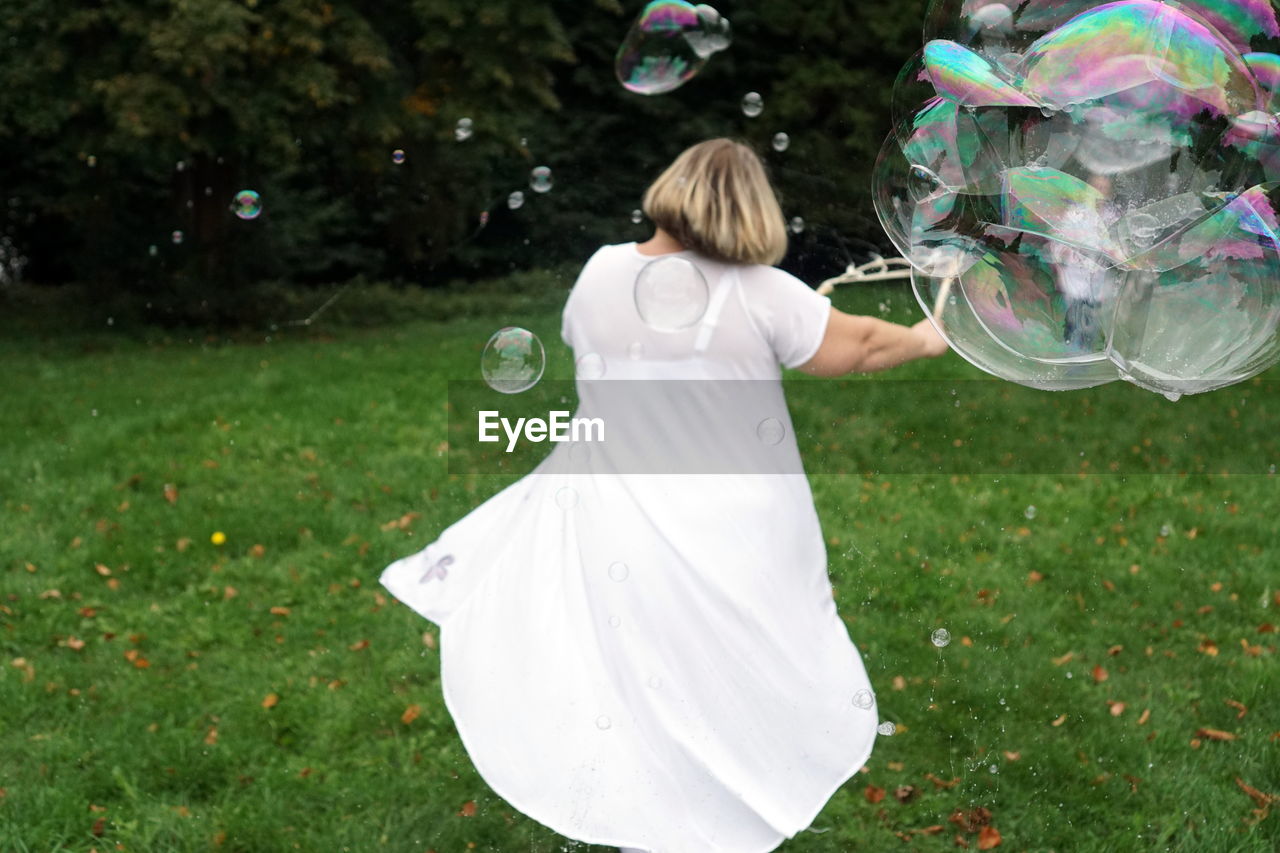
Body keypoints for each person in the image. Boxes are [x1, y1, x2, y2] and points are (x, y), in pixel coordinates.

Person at [380, 138, 949, 853]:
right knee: (727, 678)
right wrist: (928, 339)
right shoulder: (761, 290)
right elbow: (858, 346)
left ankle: (649, 825)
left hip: (608, 522)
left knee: (640, 684)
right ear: (749, 208)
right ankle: (706, 820)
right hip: (732, 529)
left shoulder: (599, 272)